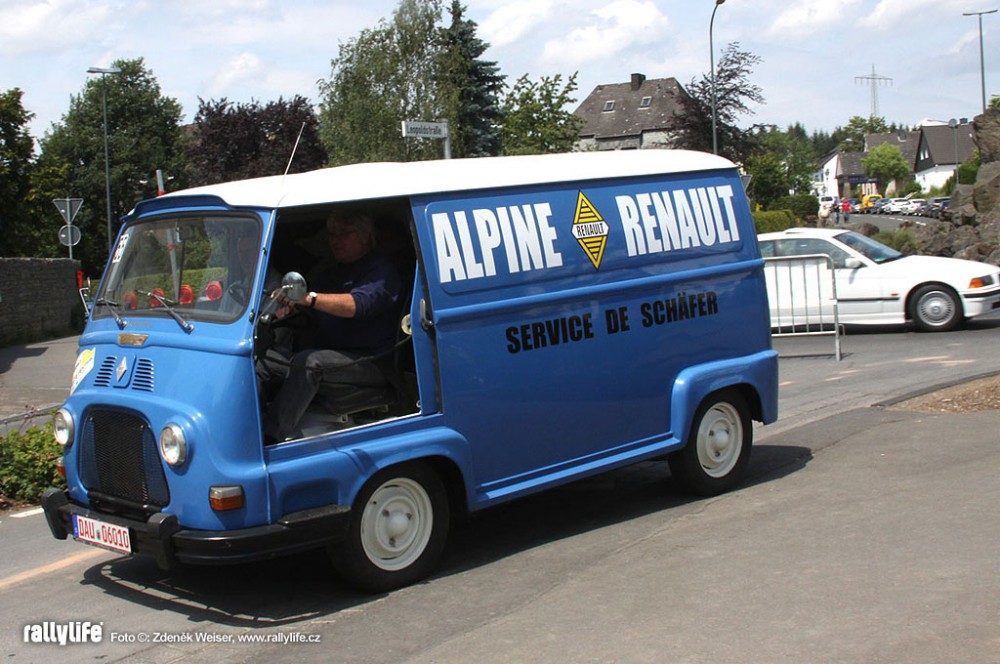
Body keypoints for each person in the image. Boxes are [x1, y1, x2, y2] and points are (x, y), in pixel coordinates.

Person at [262, 209, 403, 443]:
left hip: (371, 361)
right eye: (332, 234)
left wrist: (309, 299)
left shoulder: (381, 271)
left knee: (310, 362)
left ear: (365, 236)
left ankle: (270, 437)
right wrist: (290, 310)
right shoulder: (332, 273)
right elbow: (311, 310)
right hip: (334, 356)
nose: (335, 241)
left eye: (344, 234)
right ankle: (248, 426)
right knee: (266, 360)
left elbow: (357, 305)